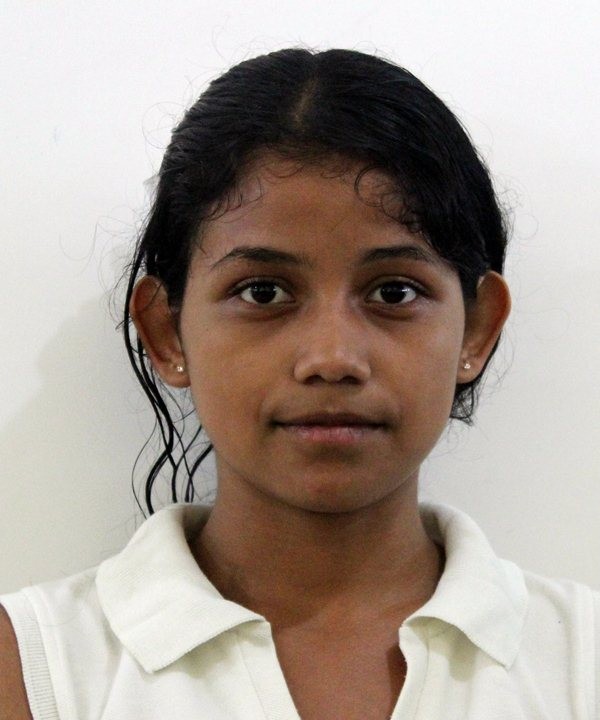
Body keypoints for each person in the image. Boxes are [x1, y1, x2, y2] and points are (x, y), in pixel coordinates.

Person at [0, 47, 597, 720]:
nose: (332, 358)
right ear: (166, 333)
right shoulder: (35, 667)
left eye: (394, 292)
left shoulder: (580, 663)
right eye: (263, 292)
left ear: (476, 331)